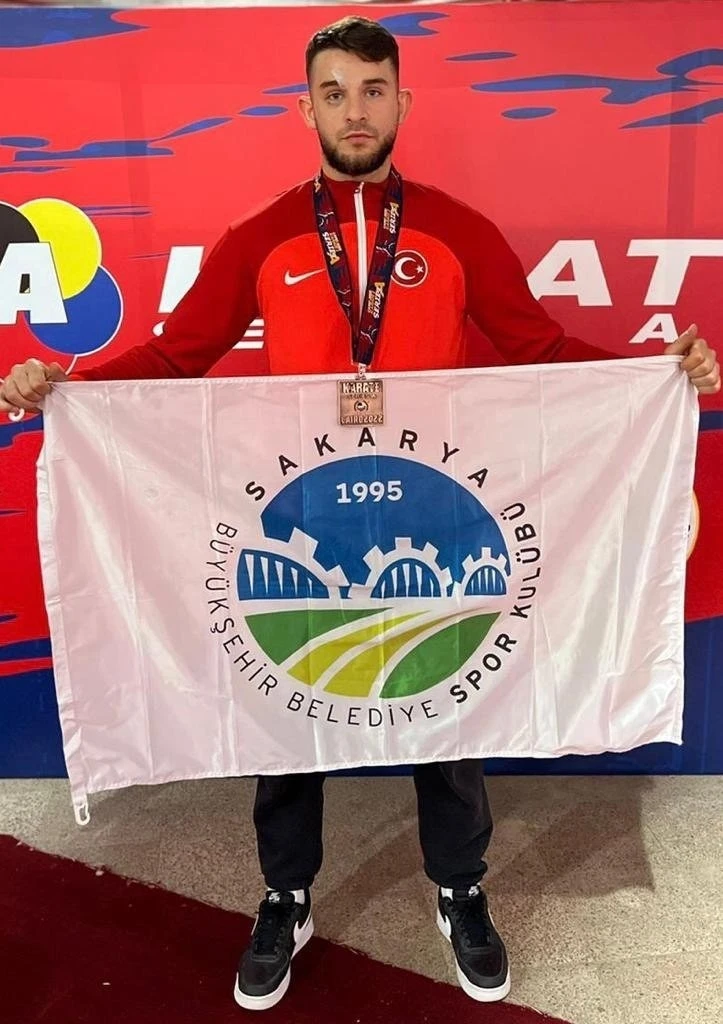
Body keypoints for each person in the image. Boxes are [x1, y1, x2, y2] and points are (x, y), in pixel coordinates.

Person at [1, 15, 719, 1013]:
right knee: (285, 711)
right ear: (306, 108)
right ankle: (285, 895)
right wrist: (67, 386)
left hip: (438, 511)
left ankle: (459, 888)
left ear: (401, 102)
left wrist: (656, 376)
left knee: (449, 705)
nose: (354, 110)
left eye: (372, 90)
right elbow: (174, 357)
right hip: (303, 514)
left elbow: (539, 349)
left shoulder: (456, 230)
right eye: (333, 92)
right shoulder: (261, 236)